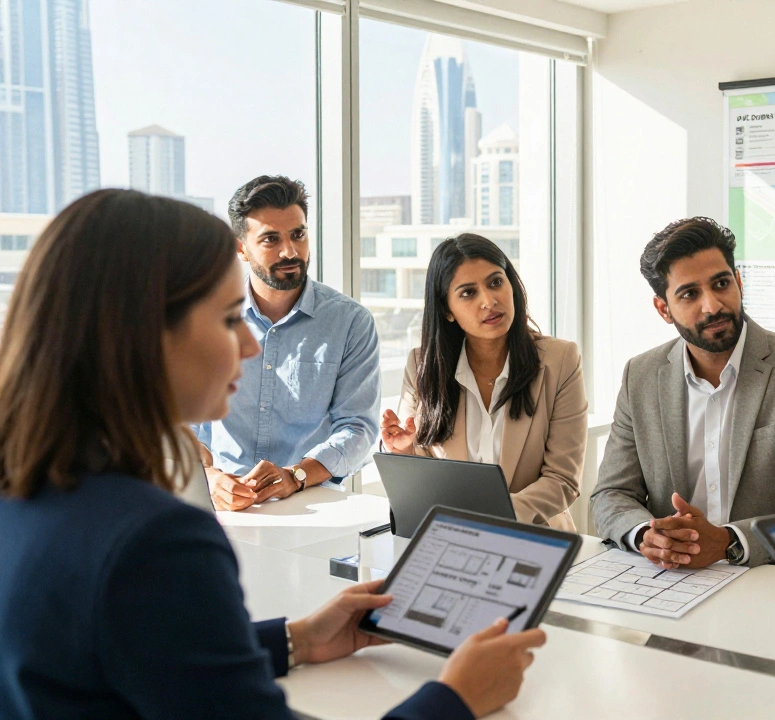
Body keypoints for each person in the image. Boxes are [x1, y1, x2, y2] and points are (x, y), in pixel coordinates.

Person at [0, 190, 546, 719]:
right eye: (228, 318)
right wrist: (457, 698)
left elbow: (146, 655)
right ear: (141, 335)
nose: (252, 344)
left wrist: (295, 639)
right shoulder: (157, 543)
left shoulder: (27, 494)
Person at [591, 217, 775, 569]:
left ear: (739, 282)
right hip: (669, 577)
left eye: (721, 283)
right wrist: (645, 535)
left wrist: (730, 541)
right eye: (689, 294)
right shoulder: (641, 375)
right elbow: (611, 493)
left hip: (765, 576)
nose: (712, 305)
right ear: (663, 308)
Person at [195, 175, 381, 511]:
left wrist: (296, 475)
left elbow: (358, 427)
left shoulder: (351, 322)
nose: (290, 251)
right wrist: (206, 476)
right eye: (270, 239)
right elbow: (189, 420)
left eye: (298, 234)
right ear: (241, 249)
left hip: (313, 504)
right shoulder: (208, 316)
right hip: (221, 505)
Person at [379, 234, 587, 530]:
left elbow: (563, 480)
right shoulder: (422, 365)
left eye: (495, 282)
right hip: (451, 538)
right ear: (447, 310)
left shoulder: (560, 359)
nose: (489, 301)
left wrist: (492, 517)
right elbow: (419, 477)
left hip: (536, 536)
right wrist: (403, 452)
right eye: (468, 293)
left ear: (511, 285)